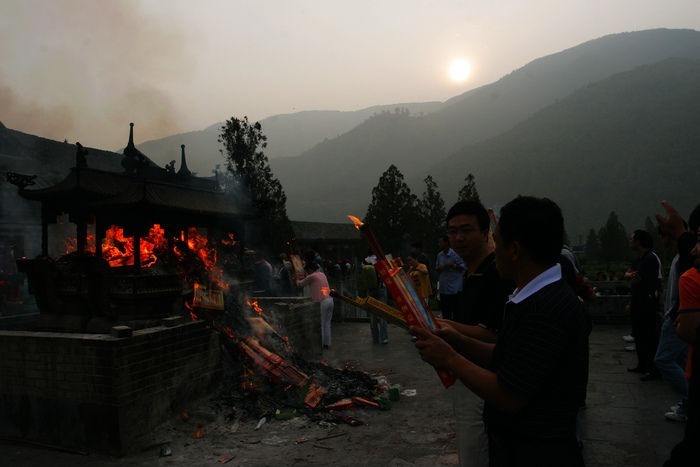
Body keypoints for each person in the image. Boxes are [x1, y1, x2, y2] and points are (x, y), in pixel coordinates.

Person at [412, 196, 589, 467]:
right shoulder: (531, 297)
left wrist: (449, 358)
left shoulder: (545, 309)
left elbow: (509, 396)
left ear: (514, 250)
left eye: (496, 241)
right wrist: (460, 340)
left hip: (537, 452)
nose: (494, 253)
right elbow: (509, 355)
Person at [441, 200, 514, 467]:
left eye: (467, 230)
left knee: (478, 451)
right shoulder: (470, 272)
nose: (458, 238)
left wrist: (443, 327)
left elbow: (495, 336)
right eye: (452, 231)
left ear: (486, 233)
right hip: (468, 376)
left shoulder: (496, 273)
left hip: (485, 383)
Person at [659, 201, 700, 467]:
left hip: (678, 317)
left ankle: (685, 401)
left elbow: (689, 331)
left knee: (662, 359)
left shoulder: (692, 277)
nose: (696, 248)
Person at [654, 223, 695, 422]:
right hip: (675, 314)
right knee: (681, 361)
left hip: (677, 316)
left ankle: (689, 400)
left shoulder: (685, 259)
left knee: (663, 359)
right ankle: (686, 404)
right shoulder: (678, 259)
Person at [625, 229, 662, 380]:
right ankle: (642, 364)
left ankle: (652, 368)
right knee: (639, 335)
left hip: (648, 303)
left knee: (649, 336)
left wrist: (632, 275)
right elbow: (630, 275)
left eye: (632, 239)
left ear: (639, 241)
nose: (630, 241)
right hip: (638, 302)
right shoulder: (639, 259)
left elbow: (636, 277)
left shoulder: (650, 258)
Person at [297, 261, 334, 349]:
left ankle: (320, 345)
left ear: (309, 269)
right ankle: (327, 344)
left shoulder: (312, 276)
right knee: (327, 323)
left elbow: (300, 284)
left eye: (306, 270)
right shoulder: (322, 274)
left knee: (320, 323)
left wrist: (296, 278)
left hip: (322, 301)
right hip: (330, 300)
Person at [358, 256, 389, 344]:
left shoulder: (366, 261)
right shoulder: (380, 259)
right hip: (380, 289)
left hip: (373, 290)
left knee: (374, 316)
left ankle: (376, 338)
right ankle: (383, 338)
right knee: (381, 314)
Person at [435, 235, 465, 320]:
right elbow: (436, 268)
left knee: (456, 312)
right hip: (444, 287)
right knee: (445, 312)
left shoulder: (455, 254)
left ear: (446, 243)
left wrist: (452, 265)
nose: (439, 244)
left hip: (455, 288)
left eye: (440, 242)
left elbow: (463, 267)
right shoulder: (439, 255)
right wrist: (440, 268)